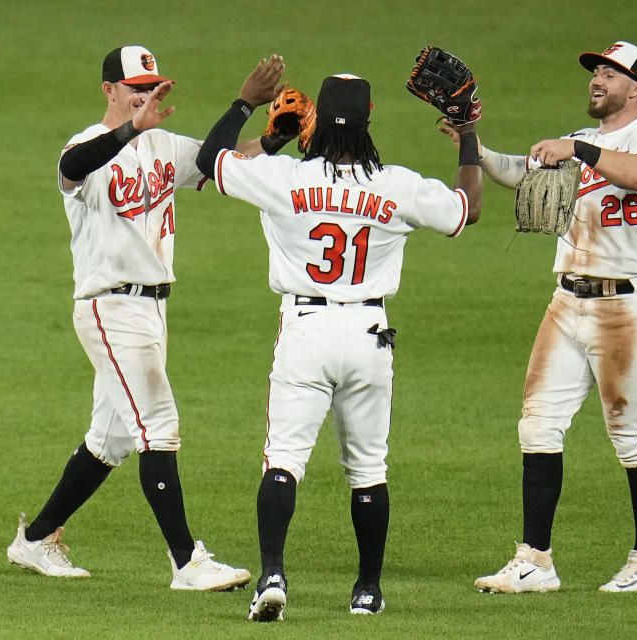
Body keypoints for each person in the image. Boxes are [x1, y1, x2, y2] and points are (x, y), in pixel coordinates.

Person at [195, 72, 482, 620]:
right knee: (368, 469)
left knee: (283, 460)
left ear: (316, 120)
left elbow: (212, 160)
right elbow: (468, 207)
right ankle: (367, 592)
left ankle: (273, 575)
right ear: (370, 118)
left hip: (305, 331)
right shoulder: (396, 184)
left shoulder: (280, 178)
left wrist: (246, 105)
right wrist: (467, 132)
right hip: (370, 337)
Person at [6, 45, 286, 590]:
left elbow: (219, 159)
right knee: (158, 427)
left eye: (150, 85)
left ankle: (35, 540)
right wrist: (131, 130)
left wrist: (273, 133)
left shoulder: (163, 144)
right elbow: (70, 169)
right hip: (110, 306)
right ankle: (186, 562)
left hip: (153, 308)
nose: (144, 94)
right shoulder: (87, 145)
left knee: (108, 441)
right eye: (134, 86)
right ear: (109, 89)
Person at [466, 41, 637, 593]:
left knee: (632, 437)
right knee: (537, 425)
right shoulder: (578, 143)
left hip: (628, 306)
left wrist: (578, 150)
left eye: (612, 72)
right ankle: (536, 560)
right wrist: (472, 142)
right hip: (566, 302)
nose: (598, 79)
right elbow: (521, 173)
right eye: (596, 71)